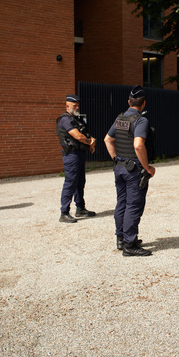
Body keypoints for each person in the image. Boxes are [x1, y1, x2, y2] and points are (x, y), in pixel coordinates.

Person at [104, 85, 155, 257]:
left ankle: (121, 238)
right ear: (144, 103)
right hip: (134, 170)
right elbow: (138, 145)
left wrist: (115, 159)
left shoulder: (120, 119)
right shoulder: (141, 121)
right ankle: (129, 244)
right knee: (133, 206)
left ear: (129, 102)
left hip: (119, 167)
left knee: (122, 203)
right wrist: (147, 167)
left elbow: (108, 139)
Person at [56, 94, 97, 223]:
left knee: (80, 182)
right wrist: (90, 142)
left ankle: (80, 208)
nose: (77, 107)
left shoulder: (77, 119)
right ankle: (64, 212)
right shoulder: (65, 119)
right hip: (72, 155)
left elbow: (84, 134)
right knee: (70, 183)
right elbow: (78, 136)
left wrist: (91, 140)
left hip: (79, 153)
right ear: (67, 106)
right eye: (74, 105)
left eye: (78, 105)